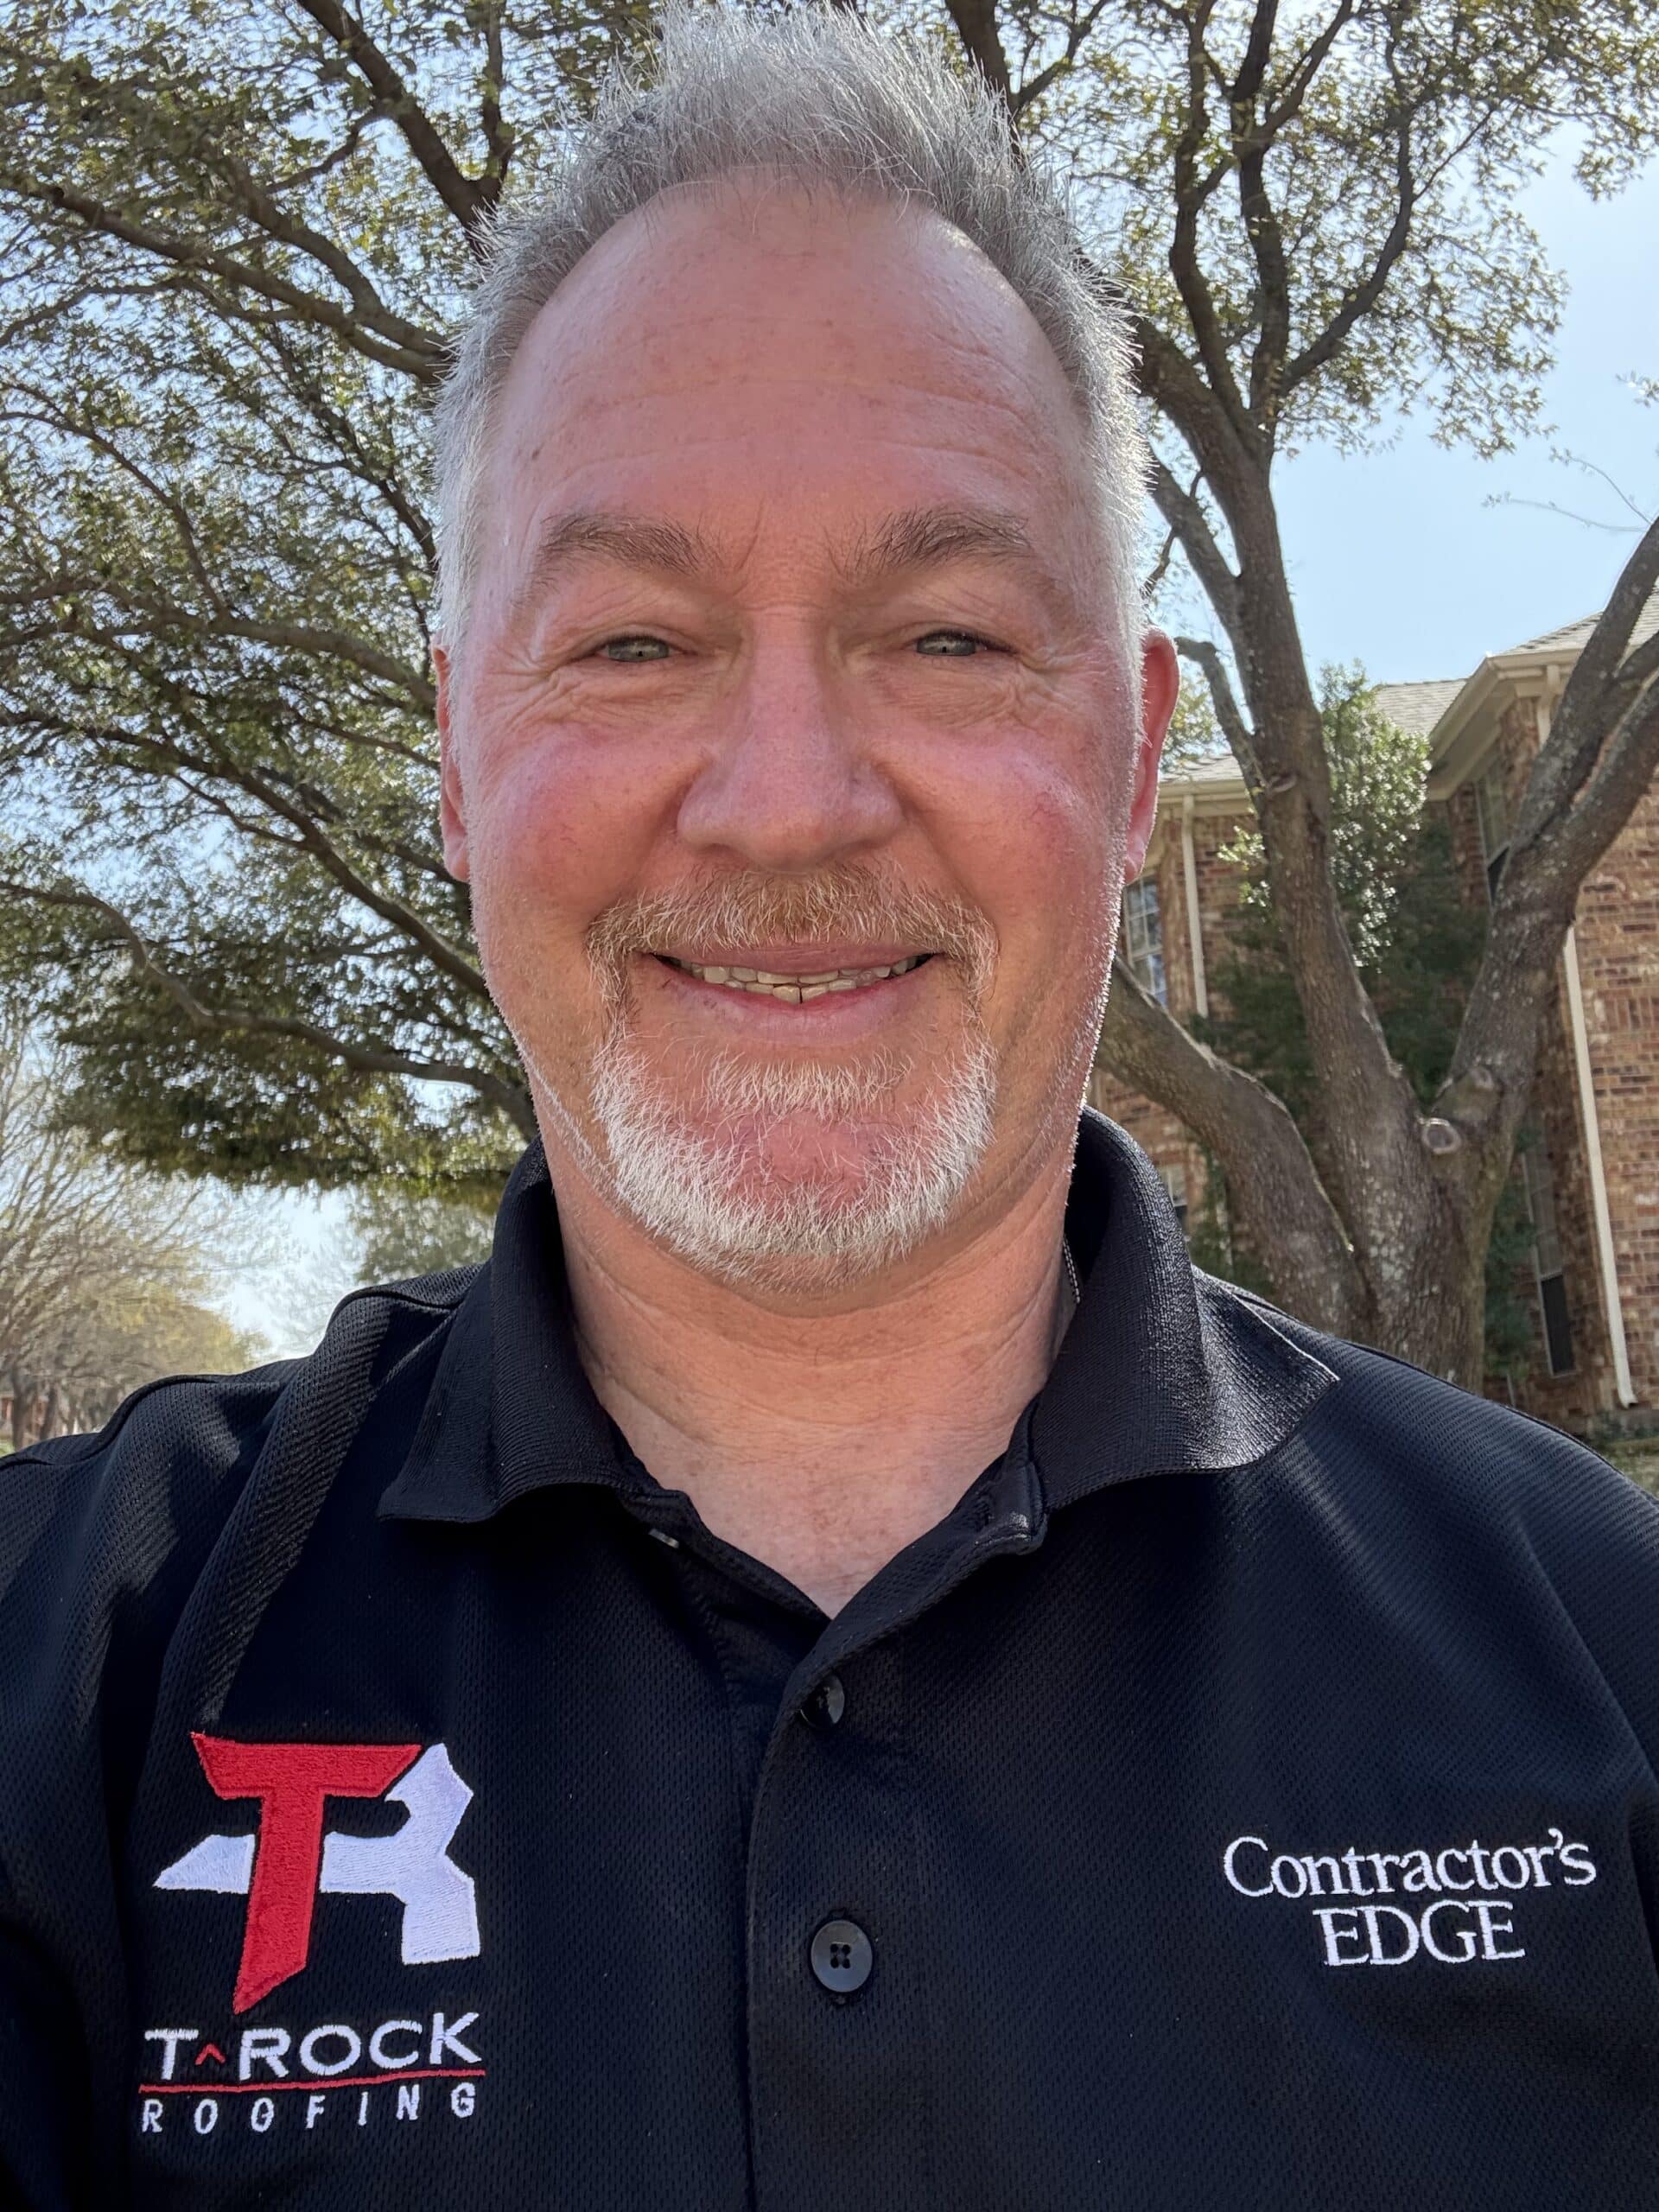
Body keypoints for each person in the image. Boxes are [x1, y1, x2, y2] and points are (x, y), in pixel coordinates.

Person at [3, 3, 1657, 2204]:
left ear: (1138, 750)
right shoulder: (71, 1664)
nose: (786, 801)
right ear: (457, 761)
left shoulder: (1596, 1650)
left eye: (951, 637)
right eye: (630, 644)